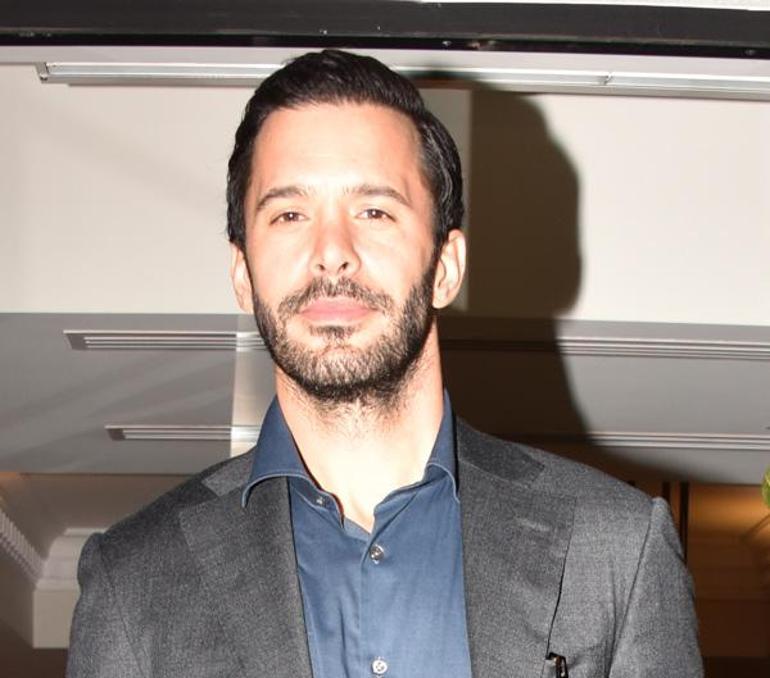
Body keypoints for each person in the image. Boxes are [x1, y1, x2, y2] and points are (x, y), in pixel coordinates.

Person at [67, 50, 702, 678]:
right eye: (289, 214)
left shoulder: (614, 547)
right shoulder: (133, 579)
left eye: (374, 211)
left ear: (445, 266)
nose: (331, 252)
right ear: (242, 274)